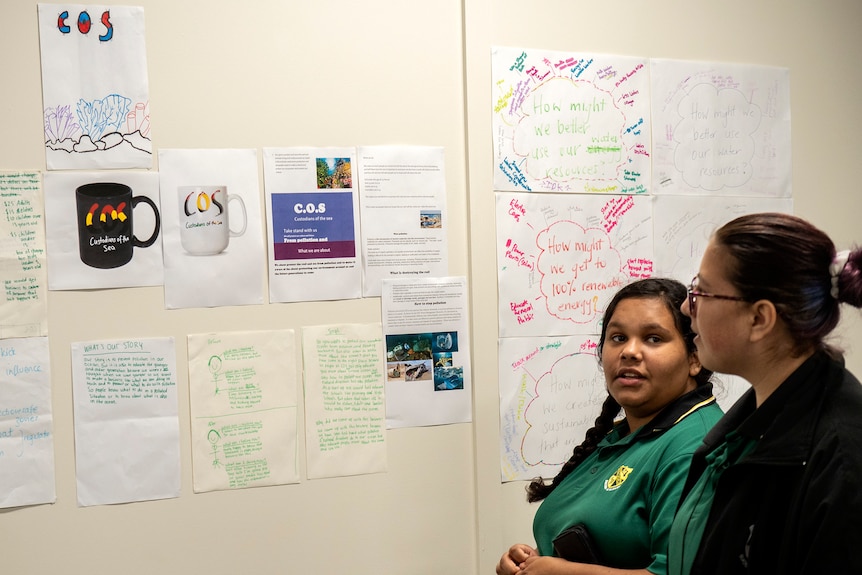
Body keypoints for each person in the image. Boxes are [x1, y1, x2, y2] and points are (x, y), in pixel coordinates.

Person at [667, 212, 862, 575]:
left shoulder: (843, 463)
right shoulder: (749, 427)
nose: (685, 307)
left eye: (701, 293)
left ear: (759, 319)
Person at [498, 278, 724, 575]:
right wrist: (533, 559)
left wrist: (561, 572)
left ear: (694, 357)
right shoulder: (624, 434)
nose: (629, 352)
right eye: (617, 337)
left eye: (653, 338)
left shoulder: (694, 446)